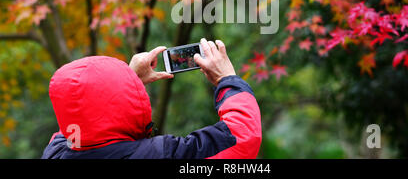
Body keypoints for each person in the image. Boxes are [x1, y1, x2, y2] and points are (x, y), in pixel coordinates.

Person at [41, 38, 262, 159]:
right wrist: (227, 79)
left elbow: (80, 114)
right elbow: (241, 137)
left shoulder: (55, 151)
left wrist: (125, 81)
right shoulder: (159, 154)